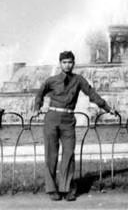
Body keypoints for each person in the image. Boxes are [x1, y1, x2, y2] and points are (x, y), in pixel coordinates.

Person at [34, 50, 118, 202]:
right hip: (52, 118)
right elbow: (40, 92)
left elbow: (91, 94)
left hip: (68, 120)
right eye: (64, 62)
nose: (67, 65)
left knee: (69, 153)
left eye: (70, 62)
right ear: (60, 64)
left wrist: (107, 108)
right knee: (51, 154)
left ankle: (66, 189)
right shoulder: (52, 80)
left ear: (74, 63)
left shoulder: (79, 80)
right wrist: (37, 107)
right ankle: (52, 189)